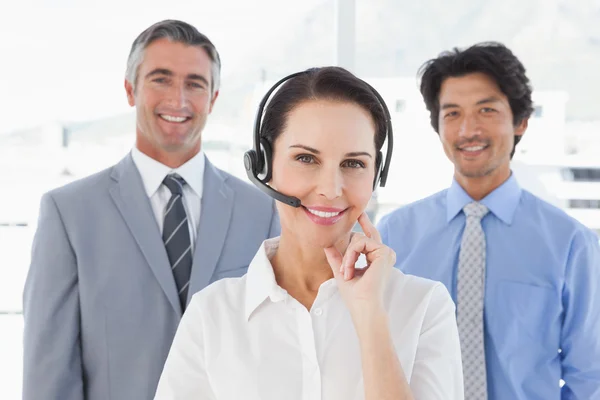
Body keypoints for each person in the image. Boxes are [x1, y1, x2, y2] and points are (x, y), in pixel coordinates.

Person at [154, 66, 464, 400]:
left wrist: (370, 318)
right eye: (306, 158)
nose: (330, 189)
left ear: (377, 174)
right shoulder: (211, 315)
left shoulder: (423, 307)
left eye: (354, 163)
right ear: (264, 166)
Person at [22, 19, 280, 400]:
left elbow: (277, 348)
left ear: (213, 98)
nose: (178, 99)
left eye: (195, 83)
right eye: (161, 79)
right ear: (130, 89)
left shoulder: (261, 211)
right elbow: (49, 374)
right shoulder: (69, 214)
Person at [377, 42, 600, 399]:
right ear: (437, 127)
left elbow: (589, 378)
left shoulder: (572, 244)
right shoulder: (392, 236)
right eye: (452, 113)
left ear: (521, 121)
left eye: (486, 110)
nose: (468, 130)